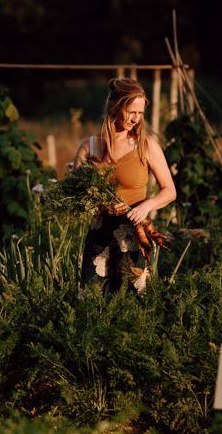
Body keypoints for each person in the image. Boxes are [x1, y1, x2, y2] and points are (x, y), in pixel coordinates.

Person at [72, 78, 177, 292]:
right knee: (92, 299)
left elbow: (170, 191)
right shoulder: (90, 148)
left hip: (133, 234)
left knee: (132, 302)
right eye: (131, 112)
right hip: (99, 236)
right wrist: (100, 204)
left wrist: (146, 206)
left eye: (140, 113)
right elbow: (75, 193)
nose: (136, 119)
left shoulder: (146, 146)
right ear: (115, 107)